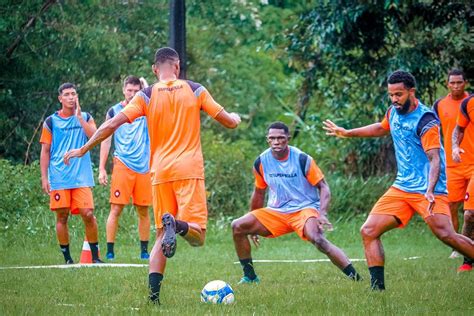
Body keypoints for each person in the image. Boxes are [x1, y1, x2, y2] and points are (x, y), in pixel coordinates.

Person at [63, 47, 241, 304]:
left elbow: (111, 124)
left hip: (159, 172)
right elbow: (228, 121)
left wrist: (83, 148)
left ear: (155, 70)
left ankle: (153, 298)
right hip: (189, 170)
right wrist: (235, 117)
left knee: (160, 235)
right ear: (177, 66)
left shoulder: (145, 95)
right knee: (198, 236)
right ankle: (177, 225)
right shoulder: (195, 89)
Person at [323, 70, 474, 290]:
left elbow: (434, 159)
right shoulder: (393, 111)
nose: (394, 99)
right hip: (401, 187)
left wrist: (430, 190)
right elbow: (381, 128)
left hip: (428, 189)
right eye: (391, 94)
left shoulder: (426, 119)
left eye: (399, 94)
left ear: (411, 92)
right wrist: (347, 133)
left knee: (446, 235)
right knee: (369, 231)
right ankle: (377, 291)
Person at [231, 122, 361, 284]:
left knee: (318, 239)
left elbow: (324, 187)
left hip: (304, 209)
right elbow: (259, 192)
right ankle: (250, 277)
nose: (276, 142)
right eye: (272, 138)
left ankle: (356, 279)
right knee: (238, 226)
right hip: (277, 212)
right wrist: (252, 224)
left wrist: (322, 213)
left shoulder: (302, 159)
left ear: (288, 139)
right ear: (267, 140)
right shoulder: (261, 162)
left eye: (280, 138)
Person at [40, 82, 103, 264]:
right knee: (62, 216)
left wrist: (80, 119)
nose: (71, 97)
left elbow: (95, 137)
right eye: (67, 94)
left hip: (81, 176)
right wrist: (44, 177)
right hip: (59, 177)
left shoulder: (85, 116)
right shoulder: (51, 121)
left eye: (73, 94)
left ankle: (95, 257)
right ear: (60, 98)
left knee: (88, 214)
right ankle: (67, 258)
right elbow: (45, 151)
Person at [99, 76, 152, 260]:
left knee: (143, 210)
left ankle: (144, 251)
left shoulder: (146, 109)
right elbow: (105, 139)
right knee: (116, 209)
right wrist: (101, 168)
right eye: (129, 90)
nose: (132, 94)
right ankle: (110, 251)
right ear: (123, 90)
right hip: (122, 163)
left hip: (144, 166)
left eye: (136, 91)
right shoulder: (114, 111)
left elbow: (155, 100)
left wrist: (146, 88)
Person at [432, 69, 472, 259]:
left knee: (470, 210)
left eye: (459, 82)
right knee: (452, 206)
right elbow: (431, 130)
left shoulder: (470, 103)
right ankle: (457, 245)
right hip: (451, 165)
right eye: (452, 83)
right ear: (447, 84)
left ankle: (466, 245)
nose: (456, 86)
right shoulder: (439, 105)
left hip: (472, 163)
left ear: (466, 83)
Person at [452, 94, 474, 272]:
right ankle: (466, 259)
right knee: (469, 214)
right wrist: (454, 147)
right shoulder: (469, 103)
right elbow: (458, 129)